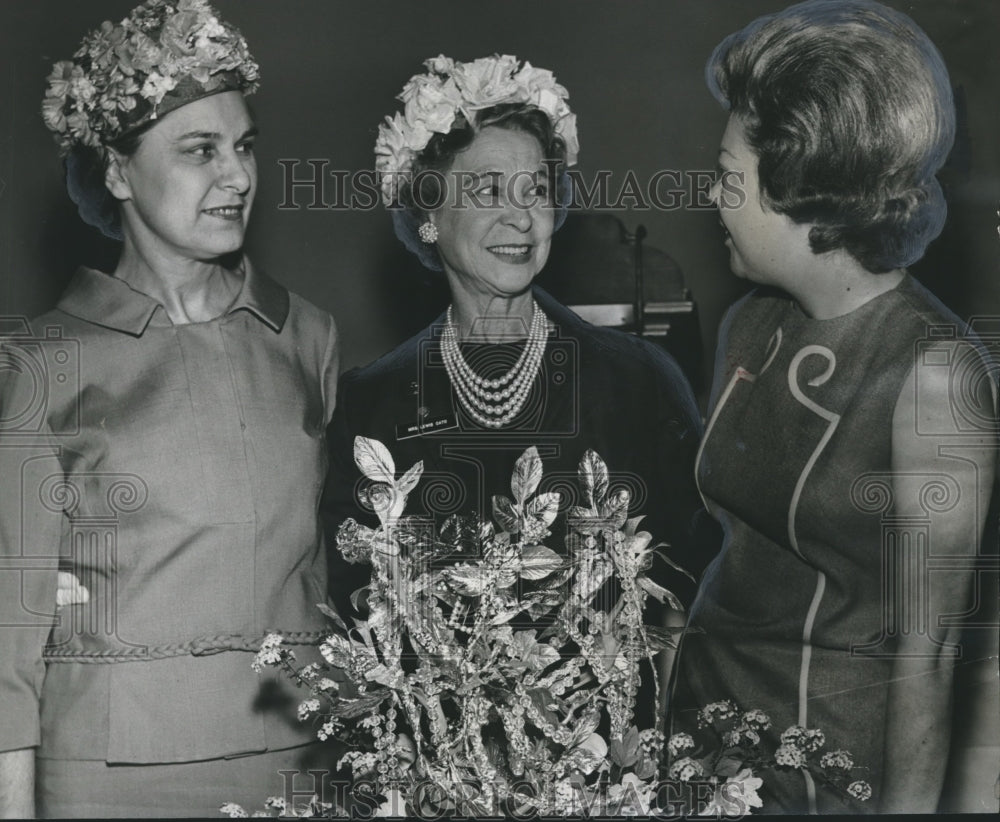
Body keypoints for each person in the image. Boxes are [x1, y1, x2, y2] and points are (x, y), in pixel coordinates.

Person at [0, 1, 338, 816]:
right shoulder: (40, 361)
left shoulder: (308, 338)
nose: (237, 176)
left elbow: (318, 575)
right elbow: (8, 638)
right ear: (118, 172)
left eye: (245, 147)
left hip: (290, 757)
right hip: (109, 774)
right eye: (200, 151)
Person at [667, 0, 997, 814]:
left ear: (800, 192)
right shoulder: (748, 324)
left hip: (824, 776)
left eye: (725, 175)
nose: (712, 197)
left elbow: (930, 650)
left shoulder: (938, 375)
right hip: (699, 745)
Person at [321, 54, 720, 721]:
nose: (521, 218)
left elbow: (701, 587)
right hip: (441, 763)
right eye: (487, 191)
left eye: (535, 191)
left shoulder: (638, 381)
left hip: (611, 759)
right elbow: (356, 610)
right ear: (428, 213)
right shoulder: (374, 402)